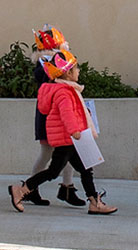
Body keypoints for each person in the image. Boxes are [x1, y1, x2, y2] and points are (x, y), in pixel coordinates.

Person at [7, 48, 115, 214]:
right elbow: (67, 114)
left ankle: (94, 202)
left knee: (86, 169)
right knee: (53, 172)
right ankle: (21, 190)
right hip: (67, 140)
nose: (79, 71)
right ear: (68, 73)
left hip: (70, 139)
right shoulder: (64, 93)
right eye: (76, 68)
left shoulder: (68, 90)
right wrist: (74, 130)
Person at [23, 25, 82, 208]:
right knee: (46, 153)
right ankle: (29, 188)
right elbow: (53, 83)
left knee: (68, 151)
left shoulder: (54, 63)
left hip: (60, 114)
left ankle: (67, 187)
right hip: (50, 116)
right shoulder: (45, 67)